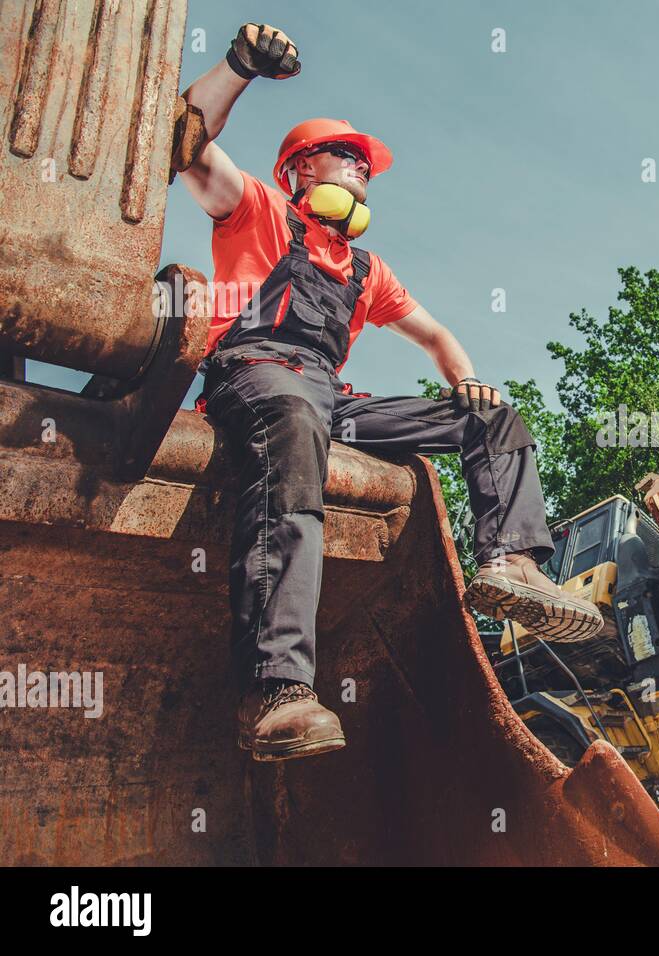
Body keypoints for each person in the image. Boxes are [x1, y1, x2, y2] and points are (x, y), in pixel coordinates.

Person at [176, 23, 602, 762]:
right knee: (292, 416)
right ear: (298, 171)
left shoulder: (367, 270)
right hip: (257, 376)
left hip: (332, 400)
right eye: (347, 159)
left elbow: (436, 337)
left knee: (493, 420)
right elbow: (180, 145)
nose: (362, 174)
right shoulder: (255, 210)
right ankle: (277, 692)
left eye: (367, 169)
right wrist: (239, 67)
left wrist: (465, 380)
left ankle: (511, 564)